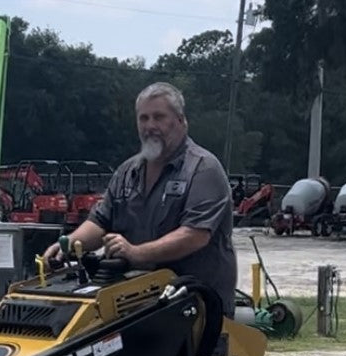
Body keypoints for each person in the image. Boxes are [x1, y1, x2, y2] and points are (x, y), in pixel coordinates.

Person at [43, 82, 238, 316]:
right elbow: (101, 221)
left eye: (159, 117)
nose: (150, 126)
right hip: (136, 306)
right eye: (143, 118)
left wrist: (136, 253)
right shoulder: (127, 172)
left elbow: (195, 235)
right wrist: (67, 245)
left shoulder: (203, 169)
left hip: (195, 308)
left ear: (180, 120)